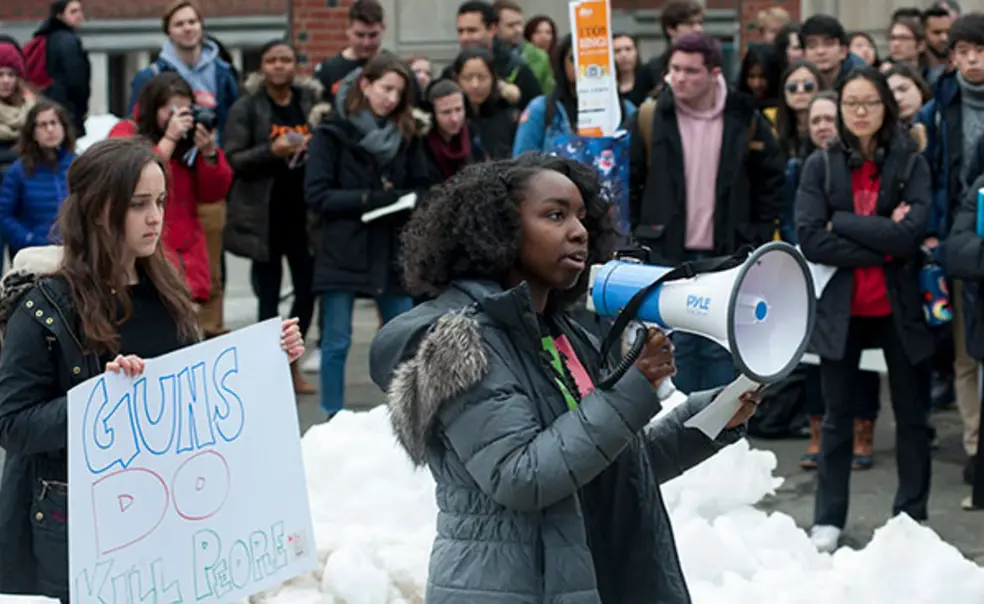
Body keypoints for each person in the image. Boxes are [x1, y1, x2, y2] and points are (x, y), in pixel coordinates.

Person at [369, 153, 761, 602]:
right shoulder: (460, 342)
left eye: (580, 216)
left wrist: (713, 417)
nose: (578, 231)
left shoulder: (563, 334)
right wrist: (633, 386)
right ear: (498, 230)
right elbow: (520, 475)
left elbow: (610, 466)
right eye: (555, 215)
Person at [0, 138, 304, 603]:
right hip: (86, 531)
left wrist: (267, 359)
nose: (156, 217)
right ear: (101, 209)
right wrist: (103, 400)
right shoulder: (45, 309)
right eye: (139, 204)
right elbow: (14, 426)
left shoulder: (168, 290)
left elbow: (196, 391)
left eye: (160, 201)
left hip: (172, 525)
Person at [795, 67, 933, 553]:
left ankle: (911, 515)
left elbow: (912, 234)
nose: (859, 112)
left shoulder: (911, 160)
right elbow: (810, 238)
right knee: (836, 418)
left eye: (869, 103)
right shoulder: (821, 164)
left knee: (913, 415)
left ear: (885, 109)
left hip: (897, 305)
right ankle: (828, 519)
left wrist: (846, 225)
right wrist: (886, 242)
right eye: (850, 103)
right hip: (843, 307)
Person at [628, 32, 784, 395]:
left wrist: (757, 234)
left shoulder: (745, 117)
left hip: (727, 252)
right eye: (674, 69)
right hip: (666, 250)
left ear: (714, 74)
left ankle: (717, 438)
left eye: (690, 71)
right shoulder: (651, 117)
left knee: (720, 347)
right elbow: (631, 181)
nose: (679, 78)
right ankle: (678, 437)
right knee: (674, 348)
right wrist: (639, 234)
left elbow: (771, 181)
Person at [304, 52, 432, 418]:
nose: (391, 98)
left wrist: (409, 199)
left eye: (399, 92)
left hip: (390, 247)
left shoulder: (407, 132)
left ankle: (407, 414)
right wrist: (371, 198)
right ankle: (331, 415)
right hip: (343, 247)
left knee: (405, 337)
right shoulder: (331, 131)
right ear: (365, 84)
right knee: (336, 340)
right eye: (386, 88)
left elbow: (423, 184)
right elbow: (317, 194)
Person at [222, 40, 332, 395]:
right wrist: (272, 150)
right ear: (262, 66)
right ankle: (271, 370)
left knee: (306, 291)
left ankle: (292, 363)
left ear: (294, 65)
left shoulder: (309, 103)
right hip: (264, 218)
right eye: (272, 60)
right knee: (267, 298)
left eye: (286, 59)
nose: (280, 66)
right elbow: (233, 158)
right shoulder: (247, 107)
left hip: (304, 215)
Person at [109, 73, 233, 311]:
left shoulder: (188, 146)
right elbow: (129, 177)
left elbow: (213, 194)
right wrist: (169, 139)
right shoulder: (126, 132)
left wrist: (208, 154)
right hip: (142, 255)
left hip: (186, 255)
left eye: (185, 110)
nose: (179, 117)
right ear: (153, 107)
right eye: (172, 109)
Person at [513, 34, 637, 154]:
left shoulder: (626, 110)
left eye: (593, 58)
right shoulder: (540, 109)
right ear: (563, 64)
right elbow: (522, 163)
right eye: (575, 58)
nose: (584, 64)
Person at [0, 101, 76, 259]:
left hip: (74, 251)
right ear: (33, 132)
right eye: (43, 125)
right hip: (35, 254)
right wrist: (28, 240)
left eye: (54, 123)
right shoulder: (19, 170)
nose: (50, 129)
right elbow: (4, 214)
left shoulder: (77, 165)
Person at [25, 1, 90, 138]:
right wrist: (81, 108)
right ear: (60, 15)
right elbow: (76, 79)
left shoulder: (48, 36)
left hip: (50, 100)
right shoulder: (67, 40)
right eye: (73, 12)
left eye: (79, 11)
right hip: (66, 107)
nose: (79, 15)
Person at [450, 49, 517, 159]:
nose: (475, 85)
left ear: (493, 79)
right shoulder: (453, 117)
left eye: (482, 77)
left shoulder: (509, 116)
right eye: (467, 78)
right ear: (457, 79)